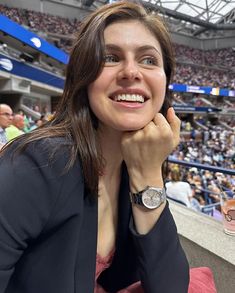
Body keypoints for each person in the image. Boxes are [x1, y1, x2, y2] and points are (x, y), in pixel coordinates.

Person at [0, 2, 191, 292]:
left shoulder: (136, 164)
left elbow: (171, 286)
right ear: (83, 77)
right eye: (110, 57)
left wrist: (148, 174)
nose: (131, 72)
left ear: (165, 81)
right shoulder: (38, 162)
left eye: (149, 60)